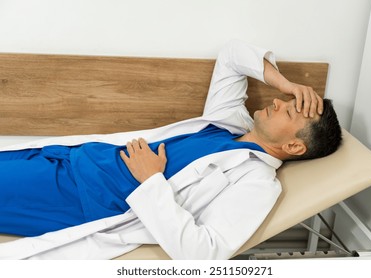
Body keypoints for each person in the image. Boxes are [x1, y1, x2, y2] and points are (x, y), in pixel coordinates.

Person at [0, 39, 342, 260]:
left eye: (290, 110)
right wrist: (284, 81)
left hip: (78, 196)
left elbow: (203, 254)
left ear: (294, 145)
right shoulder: (230, 123)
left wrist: (151, 181)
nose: (280, 102)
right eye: (288, 98)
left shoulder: (257, 183)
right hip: (71, 158)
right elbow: (231, 56)